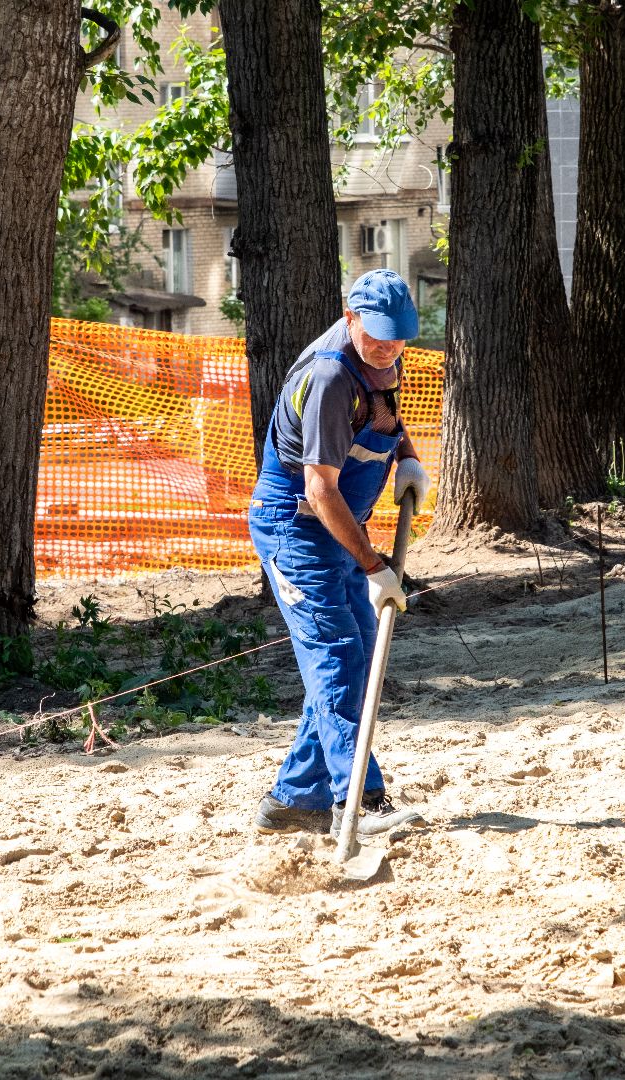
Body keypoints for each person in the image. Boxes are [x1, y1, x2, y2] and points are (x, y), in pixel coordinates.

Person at [249, 269, 432, 838]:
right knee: (339, 657)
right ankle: (362, 800)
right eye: (377, 337)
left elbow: (386, 412)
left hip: (338, 529)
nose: (388, 350)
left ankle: (292, 801)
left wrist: (406, 456)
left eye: (398, 340)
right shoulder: (330, 377)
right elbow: (320, 491)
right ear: (348, 318)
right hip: (298, 529)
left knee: (347, 660)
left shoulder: (382, 355)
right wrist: (374, 566)